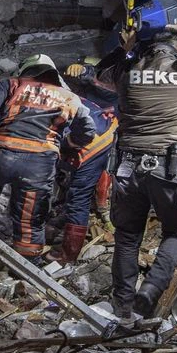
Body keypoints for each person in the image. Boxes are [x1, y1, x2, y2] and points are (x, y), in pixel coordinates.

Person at [97, 10, 177, 319]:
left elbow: (102, 72)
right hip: (171, 167)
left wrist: (125, 48)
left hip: (128, 166)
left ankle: (122, 304)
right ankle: (151, 289)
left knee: (127, 236)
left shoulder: (128, 71)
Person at [0, 54, 96, 262]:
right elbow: (88, 130)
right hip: (38, 167)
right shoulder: (69, 98)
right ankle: (27, 268)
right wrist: (68, 143)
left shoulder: (15, 85)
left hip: (1, 157)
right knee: (30, 221)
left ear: (28, 70)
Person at [50, 64, 118, 262]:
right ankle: (66, 228)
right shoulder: (59, 93)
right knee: (74, 190)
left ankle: (68, 254)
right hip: (104, 130)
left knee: (78, 196)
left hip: (94, 141)